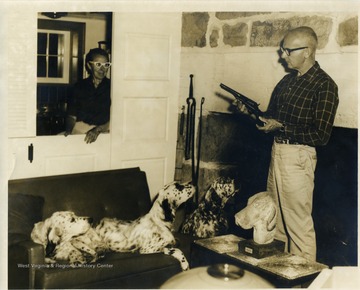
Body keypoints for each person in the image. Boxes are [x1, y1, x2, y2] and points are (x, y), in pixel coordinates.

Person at [236, 26, 339, 261]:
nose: (283, 55)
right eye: (283, 50)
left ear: (307, 52)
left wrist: (282, 128)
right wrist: (249, 113)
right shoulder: (286, 82)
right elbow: (269, 120)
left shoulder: (325, 86)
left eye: (288, 50)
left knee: (298, 227)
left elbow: (321, 135)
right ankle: (283, 279)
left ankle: (304, 282)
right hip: (278, 152)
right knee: (277, 223)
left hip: (299, 156)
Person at [65, 48, 111, 143]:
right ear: (89, 66)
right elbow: (72, 116)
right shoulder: (78, 87)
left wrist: (98, 129)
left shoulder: (113, 87)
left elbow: (117, 117)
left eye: (106, 65)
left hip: (103, 133)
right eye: (98, 65)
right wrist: (69, 131)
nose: (102, 69)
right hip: (80, 132)